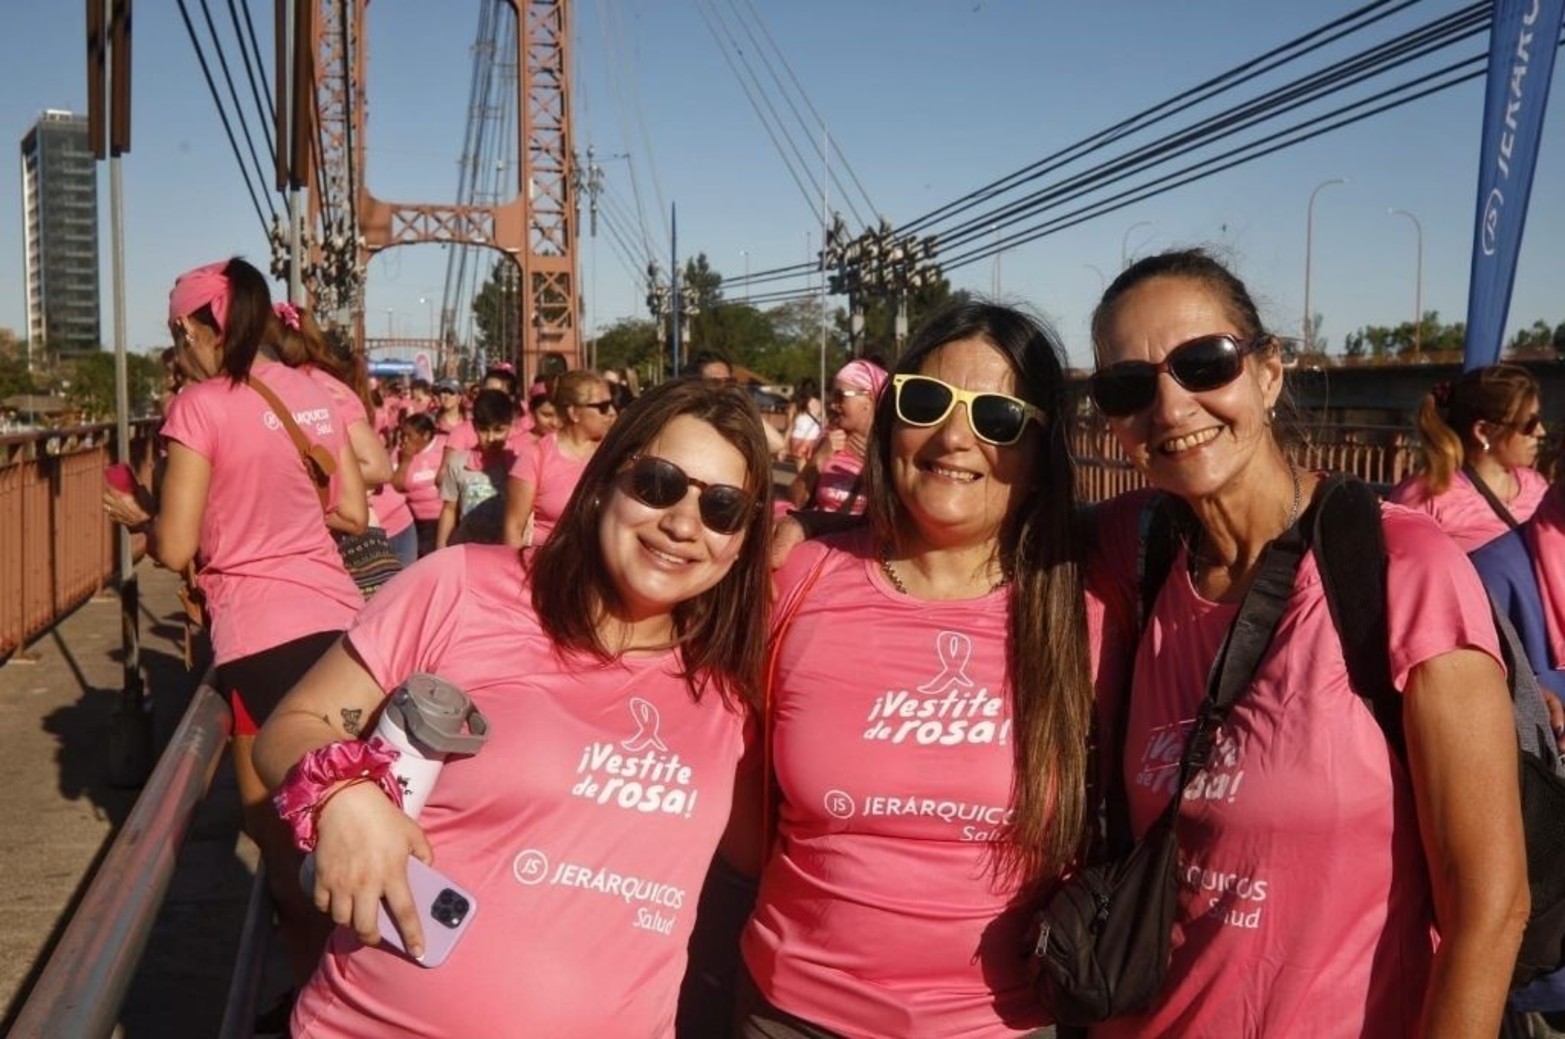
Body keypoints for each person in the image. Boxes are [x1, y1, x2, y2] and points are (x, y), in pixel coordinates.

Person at [1084, 247, 1526, 1036]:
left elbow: (1488, 904)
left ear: (1268, 372)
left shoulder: (1396, 565)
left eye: (1203, 363)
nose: (1171, 405)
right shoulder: (1136, 557)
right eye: (1127, 386)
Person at [252, 378, 774, 1037]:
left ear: (743, 539)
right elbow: (288, 728)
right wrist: (344, 797)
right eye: (659, 483)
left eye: (722, 507)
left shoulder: (734, 689)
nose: (681, 522)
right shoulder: (461, 585)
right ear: (607, 477)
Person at [731, 301, 1101, 1037]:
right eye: (925, 402)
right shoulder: (797, 579)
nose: (955, 437)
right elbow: (734, 813)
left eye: (997, 415)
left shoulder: (1091, 602)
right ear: (891, 421)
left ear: (1040, 450)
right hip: (792, 1012)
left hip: (1005, 1023)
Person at [101, 257, 367, 987]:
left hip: (261, 638)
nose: (175, 347)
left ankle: (322, 1006)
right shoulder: (309, 389)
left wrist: (143, 518)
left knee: (284, 849)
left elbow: (179, 546)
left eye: (175, 332)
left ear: (198, 326)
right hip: (346, 625)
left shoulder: (199, 405)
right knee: (352, 815)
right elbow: (353, 511)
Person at [1388, 363, 1549, 552]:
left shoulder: (1538, 487)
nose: (1541, 432)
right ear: (1483, 431)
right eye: (1529, 423)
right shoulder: (1424, 497)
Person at [502, 369, 617, 547]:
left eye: (611, 404)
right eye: (602, 407)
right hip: (545, 567)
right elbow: (513, 529)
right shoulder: (535, 456)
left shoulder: (615, 453)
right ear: (574, 413)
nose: (611, 412)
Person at [787, 359, 887, 516]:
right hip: (821, 537)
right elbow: (794, 502)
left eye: (840, 396)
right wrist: (819, 458)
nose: (833, 404)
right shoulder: (828, 440)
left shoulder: (892, 450)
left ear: (868, 398)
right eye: (832, 395)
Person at [435, 388, 519, 549]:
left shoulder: (518, 464)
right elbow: (449, 510)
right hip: (467, 549)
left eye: (499, 430)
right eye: (484, 430)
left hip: (503, 551)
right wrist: (440, 549)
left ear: (511, 425)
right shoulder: (458, 464)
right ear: (474, 427)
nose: (491, 438)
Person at [392, 412, 445, 558]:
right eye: (403, 435)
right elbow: (394, 487)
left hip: (441, 517)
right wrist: (406, 461)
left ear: (426, 435)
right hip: (415, 520)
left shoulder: (444, 446)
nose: (404, 440)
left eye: (409, 435)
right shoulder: (399, 452)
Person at [783, 376, 824, 463]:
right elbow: (824, 423)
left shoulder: (795, 405)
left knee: (801, 471)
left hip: (797, 438)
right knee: (811, 471)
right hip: (814, 439)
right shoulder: (820, 405)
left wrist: (784, 446)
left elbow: (789, 427)